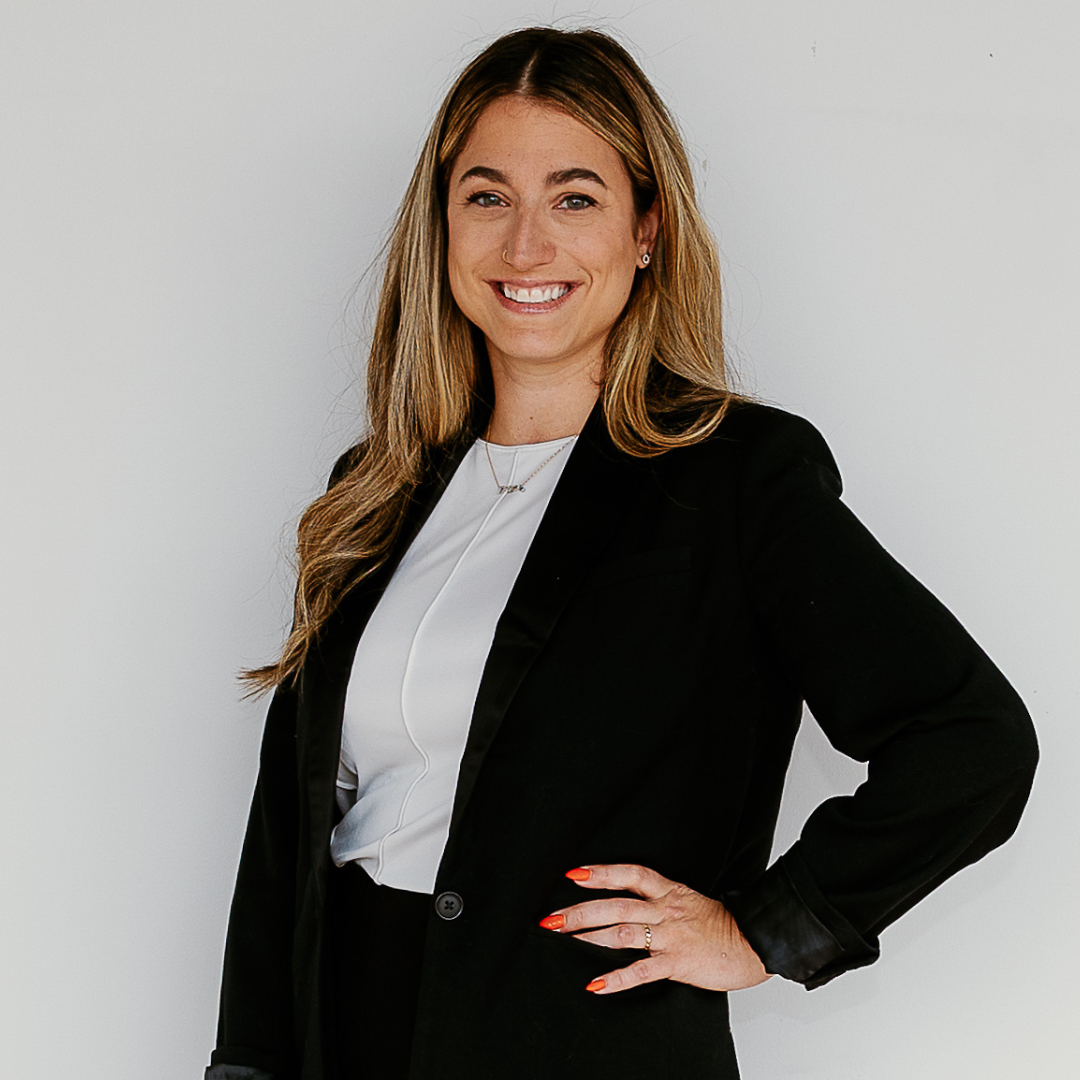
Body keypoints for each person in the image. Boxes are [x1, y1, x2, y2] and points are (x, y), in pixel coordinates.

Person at [205, 26, 1038, 1080]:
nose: (524, 247)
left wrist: (766, 930)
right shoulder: (375, 490)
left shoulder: (737, 480)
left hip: (579, 1048)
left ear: (647, 228)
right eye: (488, 196)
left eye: (575, 197)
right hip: (343, 1043)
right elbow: (288, 843)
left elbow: (971, 741)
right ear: (442, 226)